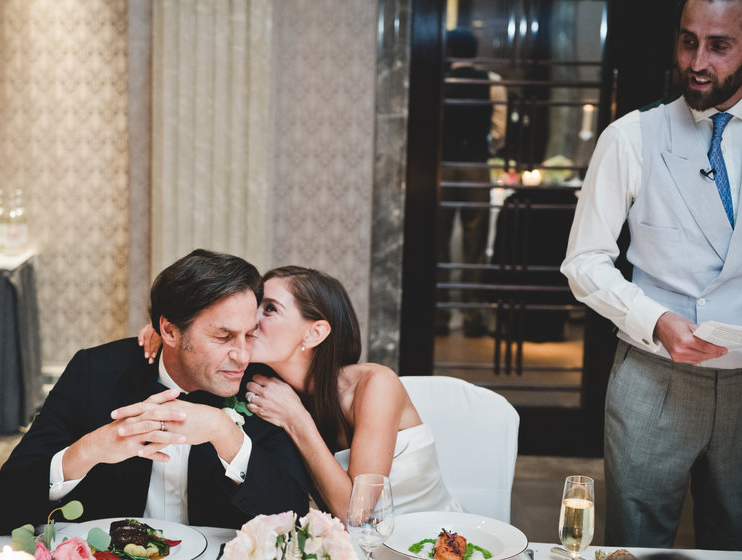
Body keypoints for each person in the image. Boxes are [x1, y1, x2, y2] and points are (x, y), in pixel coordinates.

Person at [560, 0, 742, 549]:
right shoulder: (629, 136)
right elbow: (584, 261)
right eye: (689, 41)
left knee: (741, 542)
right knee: (635, 542)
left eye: (720, 45)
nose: (698, 61)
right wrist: (656, 318)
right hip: (653, 377)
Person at [0, 249, 310, 535]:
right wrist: (88, 451)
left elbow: (294, 518)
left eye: (249, 335)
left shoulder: (259, 388)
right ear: (169, 330)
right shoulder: (95, 372)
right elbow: (2, 510)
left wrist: (226, 434)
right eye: (223, 337)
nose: (242, 355)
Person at [138, 266, 462, 522]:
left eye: (270, 309)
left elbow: (358, 514)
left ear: (315, 332)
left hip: (427, 542)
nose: (252, 319)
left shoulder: (376, 385)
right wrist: (171, 336)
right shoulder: (264, 382)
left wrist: (297, 419)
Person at [437, 27, 508, 337]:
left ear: (448, 51)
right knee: (475, 244)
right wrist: (485, 148)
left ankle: (438, 316)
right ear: (475, 52)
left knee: (436, 242)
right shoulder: (491, 82)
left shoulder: (439, 81)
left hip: (441, 167)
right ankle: (471, 316)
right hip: (476, 166)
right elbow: (500, 131)